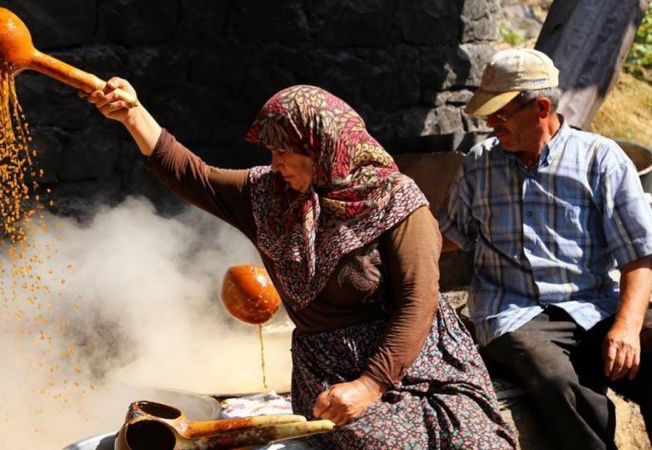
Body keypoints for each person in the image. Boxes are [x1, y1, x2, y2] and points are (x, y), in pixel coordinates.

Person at [85, 81, 516, 449]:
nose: (275, 164)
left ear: (321, 148)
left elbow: (418, 303)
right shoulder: (269, 197)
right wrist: (133, 114)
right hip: (328, 372)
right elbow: (193, 175)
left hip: (421, 362)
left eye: (284, 152)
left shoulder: (397, 201)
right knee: (383, 443)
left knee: (473, 439)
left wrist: (370, 385)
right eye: (272, 152)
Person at [441, 48, 652, 450]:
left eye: (500, 114)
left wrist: (627, 327)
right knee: (555, 378)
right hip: (515, 309)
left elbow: (639, 254)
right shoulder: (480, 163)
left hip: (594, 303)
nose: (490, 123)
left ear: (540, 107)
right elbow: (450, 234)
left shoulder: (601, 160)